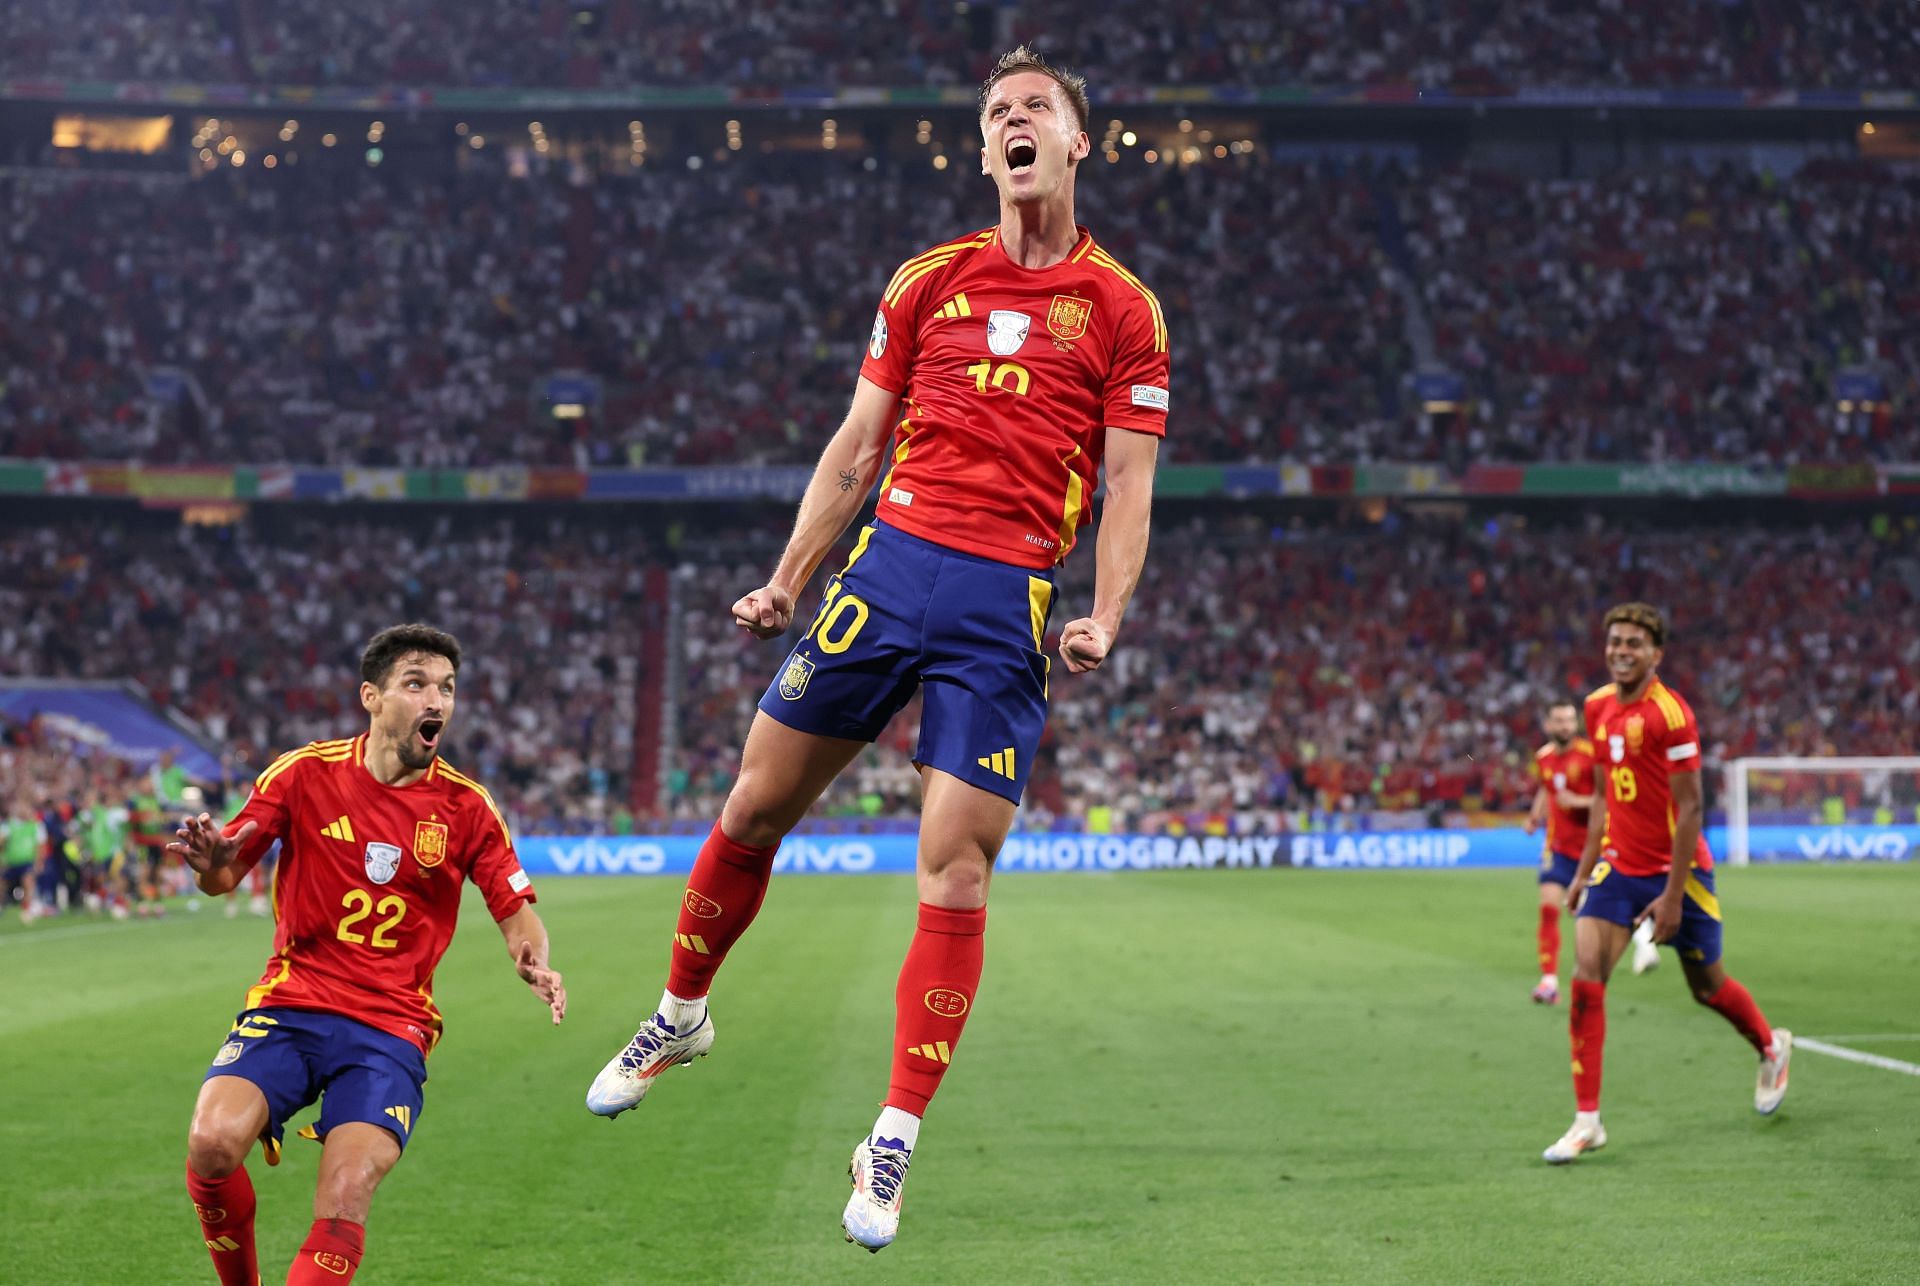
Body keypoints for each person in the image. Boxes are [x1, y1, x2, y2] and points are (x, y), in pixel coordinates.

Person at [584, 44, 1168, 1254]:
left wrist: (1105, 609)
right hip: (888, 566)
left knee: (954, 869)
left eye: (1034, 110)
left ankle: (893, 1132)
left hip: (1005, 594)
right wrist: (787, 576)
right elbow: (858, 446)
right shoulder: (926, 282)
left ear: (1078, 142)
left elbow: (1127, 483)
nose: (1011, 122)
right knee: (752, 803)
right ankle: (679, 1013)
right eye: (996, 111)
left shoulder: (1123, 309)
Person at [170, 624, 566, 1284]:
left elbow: (514, 908)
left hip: (389, 1029)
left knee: (347, 1190)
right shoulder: (303, 775)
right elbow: (223, 873)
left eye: (447, 688)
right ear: (372, 698)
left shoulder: (467, 808)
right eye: (416, 684)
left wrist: (533, 957)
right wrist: (210, 863)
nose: (436, 700)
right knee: (211, 1145)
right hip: (292, 1008)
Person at [1544, 603, 1790, 1164]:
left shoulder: (1671, 716)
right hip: (1619, 865)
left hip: (1681, 869)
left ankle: (1771, 1047)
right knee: (1586, 975)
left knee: (1706, 987)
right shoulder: (1596, 707)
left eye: (1634, 643)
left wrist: (1673, 896)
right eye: (1615, 642)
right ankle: (1588, 1122)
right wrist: (1584, 872)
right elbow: (1605, 796)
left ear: (1657, 653)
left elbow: (1691, 808)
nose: (1621, 651)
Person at [1523, 701, 1659, 1004]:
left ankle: (1644, 943)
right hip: (1557, 847)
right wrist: (1535, 815)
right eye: (1559, 720)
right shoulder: (1543, 758)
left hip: (1594, 847)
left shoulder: (1590, 755)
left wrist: (1578, 801)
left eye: (1570, 720)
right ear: (1548, 725)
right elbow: (1547, 789)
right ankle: (1548, 982)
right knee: (1548, 908)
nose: (1565, 726)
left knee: (1604, 910)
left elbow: (1609, 795)